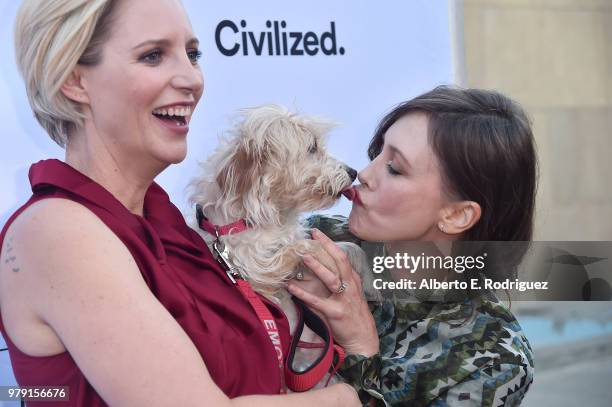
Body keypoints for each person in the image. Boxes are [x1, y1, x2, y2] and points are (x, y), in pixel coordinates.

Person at [0, 0, 359, 405]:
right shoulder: (58, 233)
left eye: (193, 55)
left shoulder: (170, 223)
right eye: (153, 55)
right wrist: (356, 393)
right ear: (74, 80)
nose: (191, 78)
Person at [289, 86, 537, 406]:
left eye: (395, 168)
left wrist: (361, 352)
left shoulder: (494, 360)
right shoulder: (318, 241)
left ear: (457, 215)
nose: (363, 174)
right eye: (376, 153)